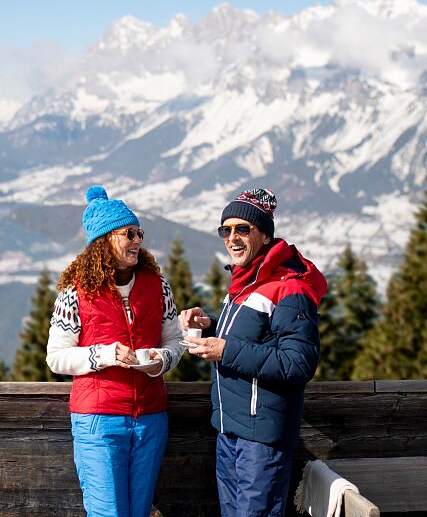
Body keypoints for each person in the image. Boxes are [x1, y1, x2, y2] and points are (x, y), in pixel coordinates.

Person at [179, 188, 327, 517]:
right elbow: (252, 338)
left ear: (264, 235)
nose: (232, 238)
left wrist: (225, 350)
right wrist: (210, 326)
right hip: (230, 430)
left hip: (260, 441)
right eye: (226, 230)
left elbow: (298, 363)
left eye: (242, 229)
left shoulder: (290, 289)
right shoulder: (245, 281)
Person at [47, 186, 185, 517]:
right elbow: (56, 357)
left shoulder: (158, 286)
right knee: (107, 512)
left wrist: (162, 360)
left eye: (139, 233)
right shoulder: (76, 292)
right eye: (129, 234)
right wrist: (104, 355)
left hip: (150, 419)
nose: (137, 240)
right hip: (98, 421)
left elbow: (175, 340)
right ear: (104, 240)